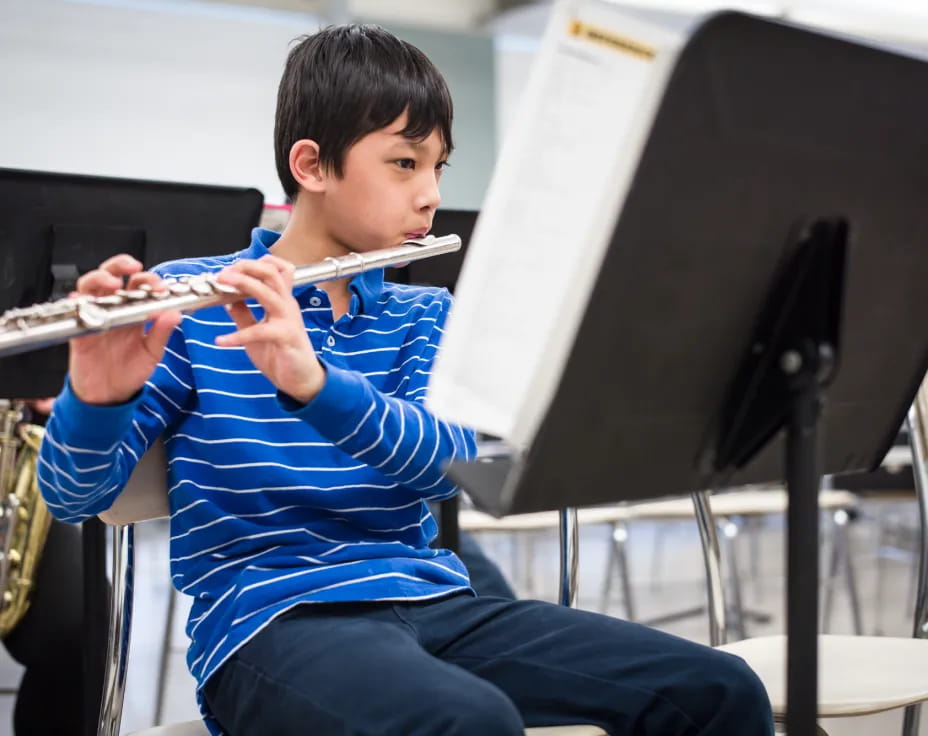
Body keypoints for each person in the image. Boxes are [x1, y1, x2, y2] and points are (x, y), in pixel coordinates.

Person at [36, 24, 773, 736]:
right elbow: (76, 495)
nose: (429, 194)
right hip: (268, 625)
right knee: (465, 721)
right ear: (313, 166)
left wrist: (316, 384)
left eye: (438, 167)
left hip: (433, 601)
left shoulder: (425, 312)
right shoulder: (192, 300)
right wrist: (98, 396)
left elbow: (447, 466)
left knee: (718, 690)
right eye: (404, 163)